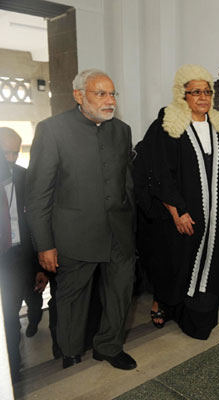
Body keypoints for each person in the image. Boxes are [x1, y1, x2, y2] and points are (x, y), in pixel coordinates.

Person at [25, 69, 137, 370]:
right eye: (101, 93)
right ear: (79, 96)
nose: (110, 100)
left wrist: (132, 230)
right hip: (74, 235)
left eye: (112, 94)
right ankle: (70, 351)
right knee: (72, 299)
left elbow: (127, 184)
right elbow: (38, 195)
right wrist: (44, 245)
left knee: (120, 293)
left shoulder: (122, 130)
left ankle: (109, 346)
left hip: (119, 234)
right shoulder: (52, 130)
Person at [134, 64, 219, 340]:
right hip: (180, 214)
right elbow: (160, 173)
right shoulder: (168, 126)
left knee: (209, 261)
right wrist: (177, 212)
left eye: (207, 92)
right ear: (182, 94)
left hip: (214, 215)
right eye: (196, 92)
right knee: (175, 262)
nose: (203, 97)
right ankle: (163, 301)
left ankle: (199, 314)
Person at [0, 128, 48, 382]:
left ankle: (33, 320)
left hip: (22, 254)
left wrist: (40, 262)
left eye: (15, 152)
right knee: (8, 316)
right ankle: (13, 368)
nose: (11, 158)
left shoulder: (23, 176)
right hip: (2, 258)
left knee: (32, 297)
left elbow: (35, 221)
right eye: (5, 152)